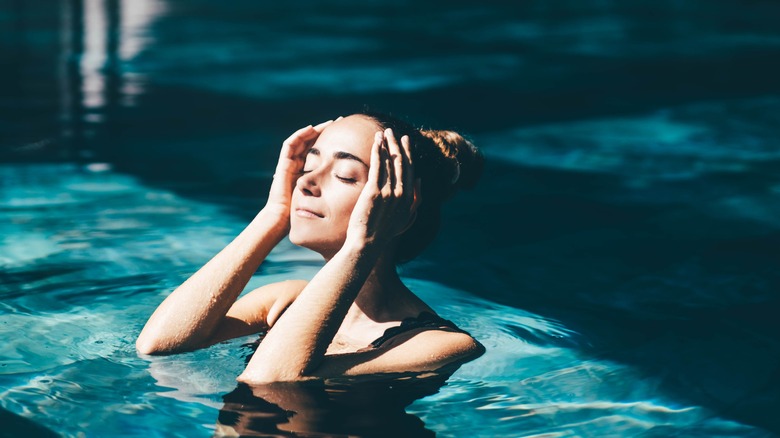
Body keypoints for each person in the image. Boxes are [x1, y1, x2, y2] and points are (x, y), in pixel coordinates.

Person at [136, 111, 485, 384]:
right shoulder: (284, 300)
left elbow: (269, 382)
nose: (306, 181)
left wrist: (362, 245)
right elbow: (159, 346)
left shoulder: (440, 344)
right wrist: (273, 216)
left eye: (345, 175)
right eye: (310, 163)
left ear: (400, 205)